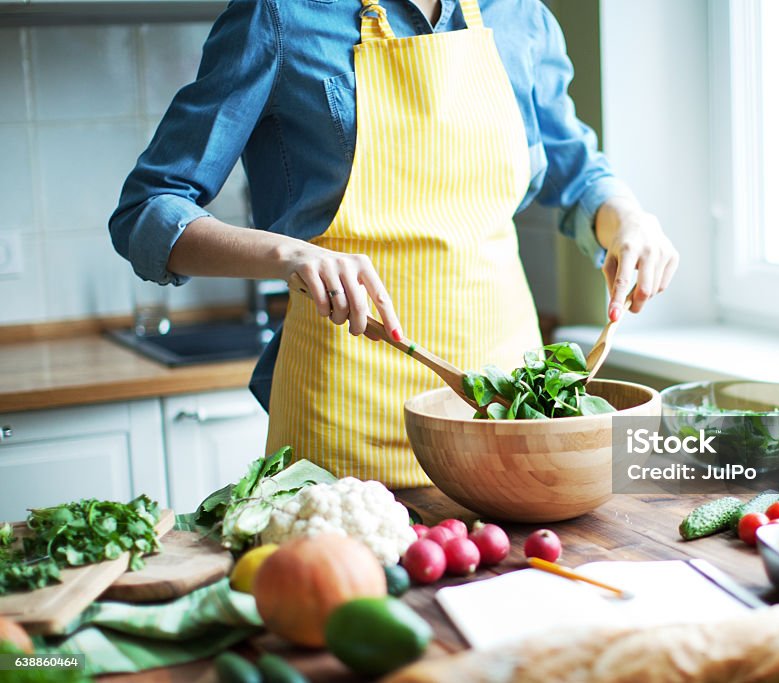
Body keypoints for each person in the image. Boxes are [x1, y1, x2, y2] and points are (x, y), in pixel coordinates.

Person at [110, 0, 679, 487]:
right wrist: (288, 254)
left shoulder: (518, 13)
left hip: (508, 410)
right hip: (345, 420)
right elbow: (148, 209)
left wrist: (627, 218)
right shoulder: (280, 15)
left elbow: (575, 171)